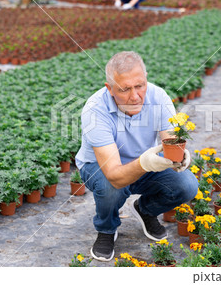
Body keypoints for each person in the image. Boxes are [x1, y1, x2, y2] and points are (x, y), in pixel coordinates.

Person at [75, 51, 198, 262]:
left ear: (146, 80)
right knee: (111, 187)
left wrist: (179, 156)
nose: (135, 96)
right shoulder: (95, 110)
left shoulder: (158, 97)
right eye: (124, 89)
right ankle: (106, 228)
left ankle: (146, 210)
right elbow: (114, 174)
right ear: (110, 89)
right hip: (101, 168)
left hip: (144, 162)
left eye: (139, 86)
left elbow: (170, 141)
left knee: (186, 185)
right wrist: (144, 163)